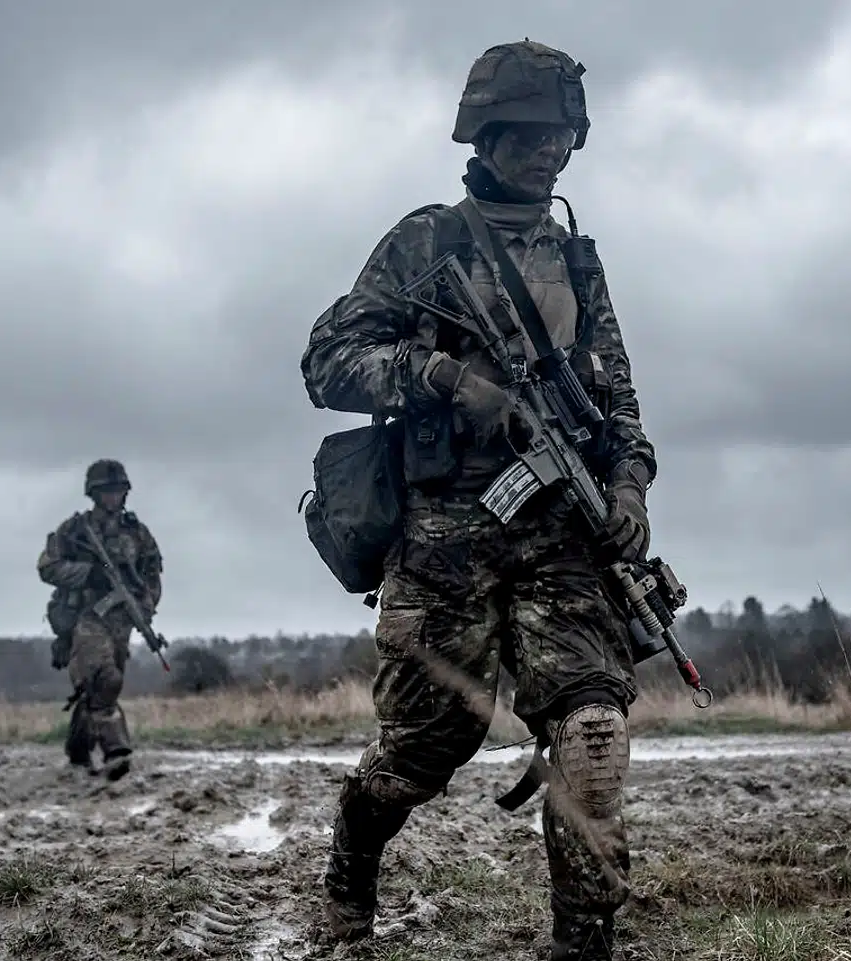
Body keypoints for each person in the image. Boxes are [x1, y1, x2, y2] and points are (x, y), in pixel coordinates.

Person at [300, 39, 656, 960]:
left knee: (591, 735)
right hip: (444, 545)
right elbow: (328, 362)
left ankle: (585, 941)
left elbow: (617, 395)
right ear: (488, 134)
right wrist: (441, 377)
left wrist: (628, 482)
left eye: (563, 136)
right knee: (423, 752)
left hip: (564, 542)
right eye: (532, 133)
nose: (549, 152)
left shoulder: (576, 261)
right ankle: (352, 858)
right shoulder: (425, 243)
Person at [35, 459, 163, 781]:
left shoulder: (137, 533)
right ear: (93, 494)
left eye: (118, 491)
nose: (113, 497)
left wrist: (144, 607)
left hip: (121, 620)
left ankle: (78, 751)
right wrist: (88, 575)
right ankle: (116, 750)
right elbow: (47, 567)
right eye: (106, 491)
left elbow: (151, 576)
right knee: (105, 679)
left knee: (99, 690)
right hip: (84, 618)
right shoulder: (75, 531)